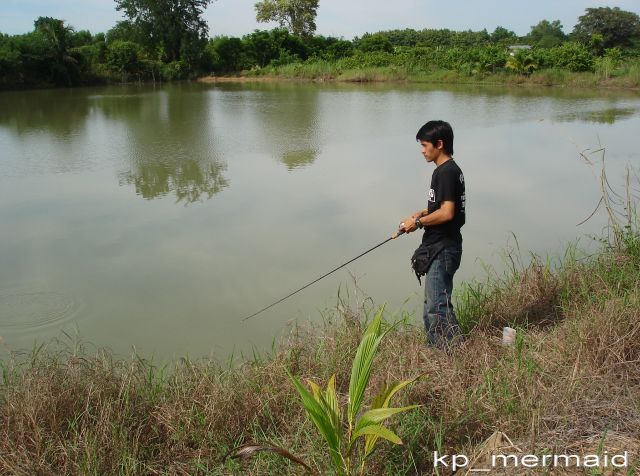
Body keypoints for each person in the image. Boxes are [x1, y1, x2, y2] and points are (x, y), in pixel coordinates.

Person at [399, 120, 466, 350]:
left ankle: (453, 353)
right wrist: (422, 213)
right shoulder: (447, 171)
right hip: (442, 245)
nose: (422, 150)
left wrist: (417, 222)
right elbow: (444, 206)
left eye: (425, 145)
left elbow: (447, 213)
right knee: (432, 303)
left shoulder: (446, 172)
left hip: (444, 247)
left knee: (437, 306)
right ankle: (436, 350)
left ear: (439, 144)